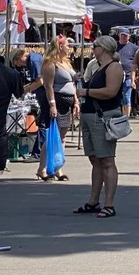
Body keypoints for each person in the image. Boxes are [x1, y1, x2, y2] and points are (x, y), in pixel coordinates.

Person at [74, 36, 125, 218]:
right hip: (90, 116)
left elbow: (110, 92)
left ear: (102, 48)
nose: (92, 49)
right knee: (95, 159)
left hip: (102, 117)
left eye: (94, 46)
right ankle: (93, 201)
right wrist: (81, 82)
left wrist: (86, 91)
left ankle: (109, 204)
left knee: (107, 160)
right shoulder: (98, 67)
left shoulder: (114, 67)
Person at [37, 37, 79, 181]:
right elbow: (48, 86)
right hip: (56, 101)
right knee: (51, 137)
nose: (70, 48)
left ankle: (58, 168)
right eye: (68, 45)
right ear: (60, 47)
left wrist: (76, 100)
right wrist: (52, 104)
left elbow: (72, 83)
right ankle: (42, 169)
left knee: (61, 137)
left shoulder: (66, 63)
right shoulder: (50, 63)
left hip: (67, 102)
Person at [116, 29, 138, 117]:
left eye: (125, 35)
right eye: (122, 35)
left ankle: (126, 117)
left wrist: (135, 77)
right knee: (116, 96)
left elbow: (137, 63)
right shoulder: (114, 46)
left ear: (129, 36)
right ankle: (118, 115)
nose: (123, 37)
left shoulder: (135, 48)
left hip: (128, 75)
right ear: (119, 35)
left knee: (126, 97)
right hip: (115, 76)